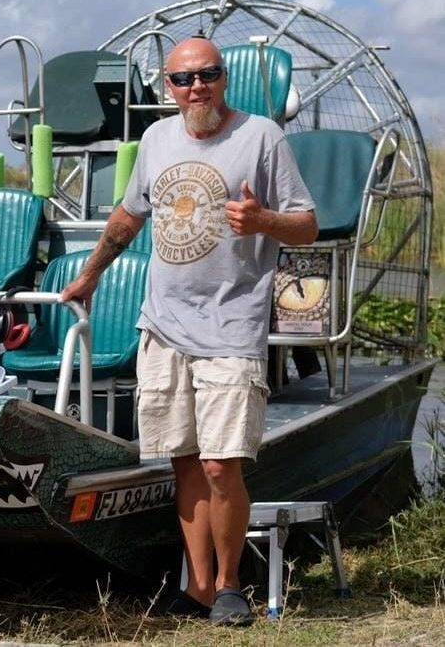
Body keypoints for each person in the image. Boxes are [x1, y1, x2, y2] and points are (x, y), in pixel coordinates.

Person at [60, 37, 317, 626]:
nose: (196, 86)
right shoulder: (155, 139)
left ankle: (230, 585)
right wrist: (91, 275)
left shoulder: (262, 137)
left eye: (208, 74)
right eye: (183, 78)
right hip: (164, 326)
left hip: (231, 326)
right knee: (184, 458)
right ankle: (197, 587)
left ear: (224, 79)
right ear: (167, 88)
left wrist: (263, 220)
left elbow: (305, 224)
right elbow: (130, 214)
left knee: (225, 463)